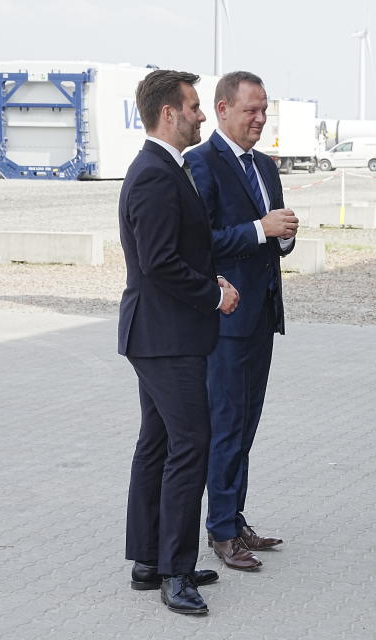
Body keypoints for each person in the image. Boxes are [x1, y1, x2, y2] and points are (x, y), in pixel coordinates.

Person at [118, 69, 240, 615]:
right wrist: (213, 296)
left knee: (159, 444)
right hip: (165, 336)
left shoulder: (168, 168)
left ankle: (149, 559)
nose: (201, 115)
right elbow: (159, 262)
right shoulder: (153, 173)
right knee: (191, 445)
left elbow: (174, 251)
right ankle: (175, 571)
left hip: (165, 332)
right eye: (193, 106)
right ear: (169, 113)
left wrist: (207, 279)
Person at [185, 71, 297, 571]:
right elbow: (198, 242)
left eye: (264, 109)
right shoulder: (200, 163)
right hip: (225, 319)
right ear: (223, 108)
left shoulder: (265, 166)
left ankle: (235, 513)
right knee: (227, 424)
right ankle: (222, 531)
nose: (259, 118)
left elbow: (271, 233)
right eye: (251, 110)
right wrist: (260, 229)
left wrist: (284, 235)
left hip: (260, 315)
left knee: (247, 423)